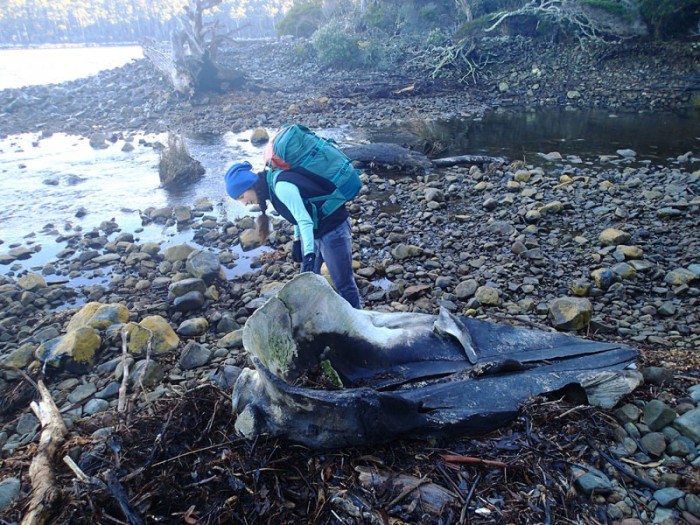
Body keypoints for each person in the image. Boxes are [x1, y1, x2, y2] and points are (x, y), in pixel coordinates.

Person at [225, 161, 362, 309]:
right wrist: (297, 240)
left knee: (343, 283)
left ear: (249, 185)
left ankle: (359, 323)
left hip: (333, 229)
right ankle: (314, 319)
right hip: (313, 232)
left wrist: (308, 254)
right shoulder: (269, 187)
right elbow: (296, 214)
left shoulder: (280, 186)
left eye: (241, 196)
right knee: (308, 282)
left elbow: (304, 219)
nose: (244, 203)